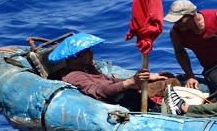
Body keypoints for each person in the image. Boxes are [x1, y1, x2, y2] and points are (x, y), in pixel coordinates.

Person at [48, 32, 180, 112]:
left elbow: (109, 81)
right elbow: (100, 92)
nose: (91, 53)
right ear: (75, 56)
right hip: (119, 102)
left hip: (126, 93)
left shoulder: (88, 68)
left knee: (167, 81)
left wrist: (145, 79)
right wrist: (131, 82)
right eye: (87, 51)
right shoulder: (74, 76)